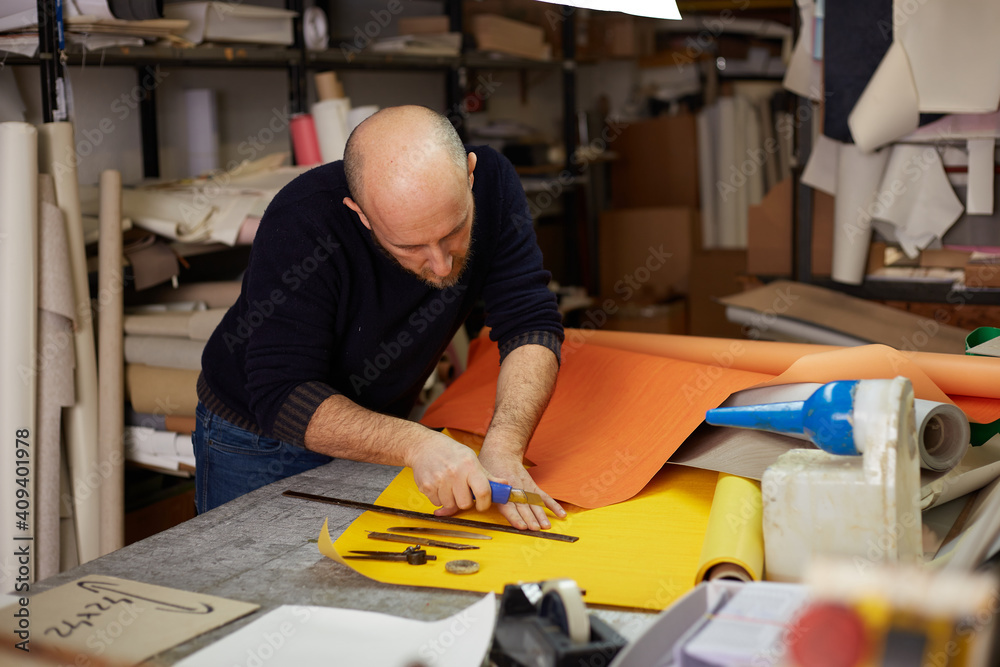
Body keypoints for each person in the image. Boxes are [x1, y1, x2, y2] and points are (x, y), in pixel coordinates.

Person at [193, 105, 566, 531]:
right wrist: (414, 444)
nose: (441, 266)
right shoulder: (301, 221)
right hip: (257, 437)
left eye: (453, 231)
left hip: (380, 420)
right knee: (251, 581)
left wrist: (504, 447)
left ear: (470, 174)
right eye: (410, 247)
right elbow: (281, 394)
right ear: (361, 214)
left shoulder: (495, 185)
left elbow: (529, 321)